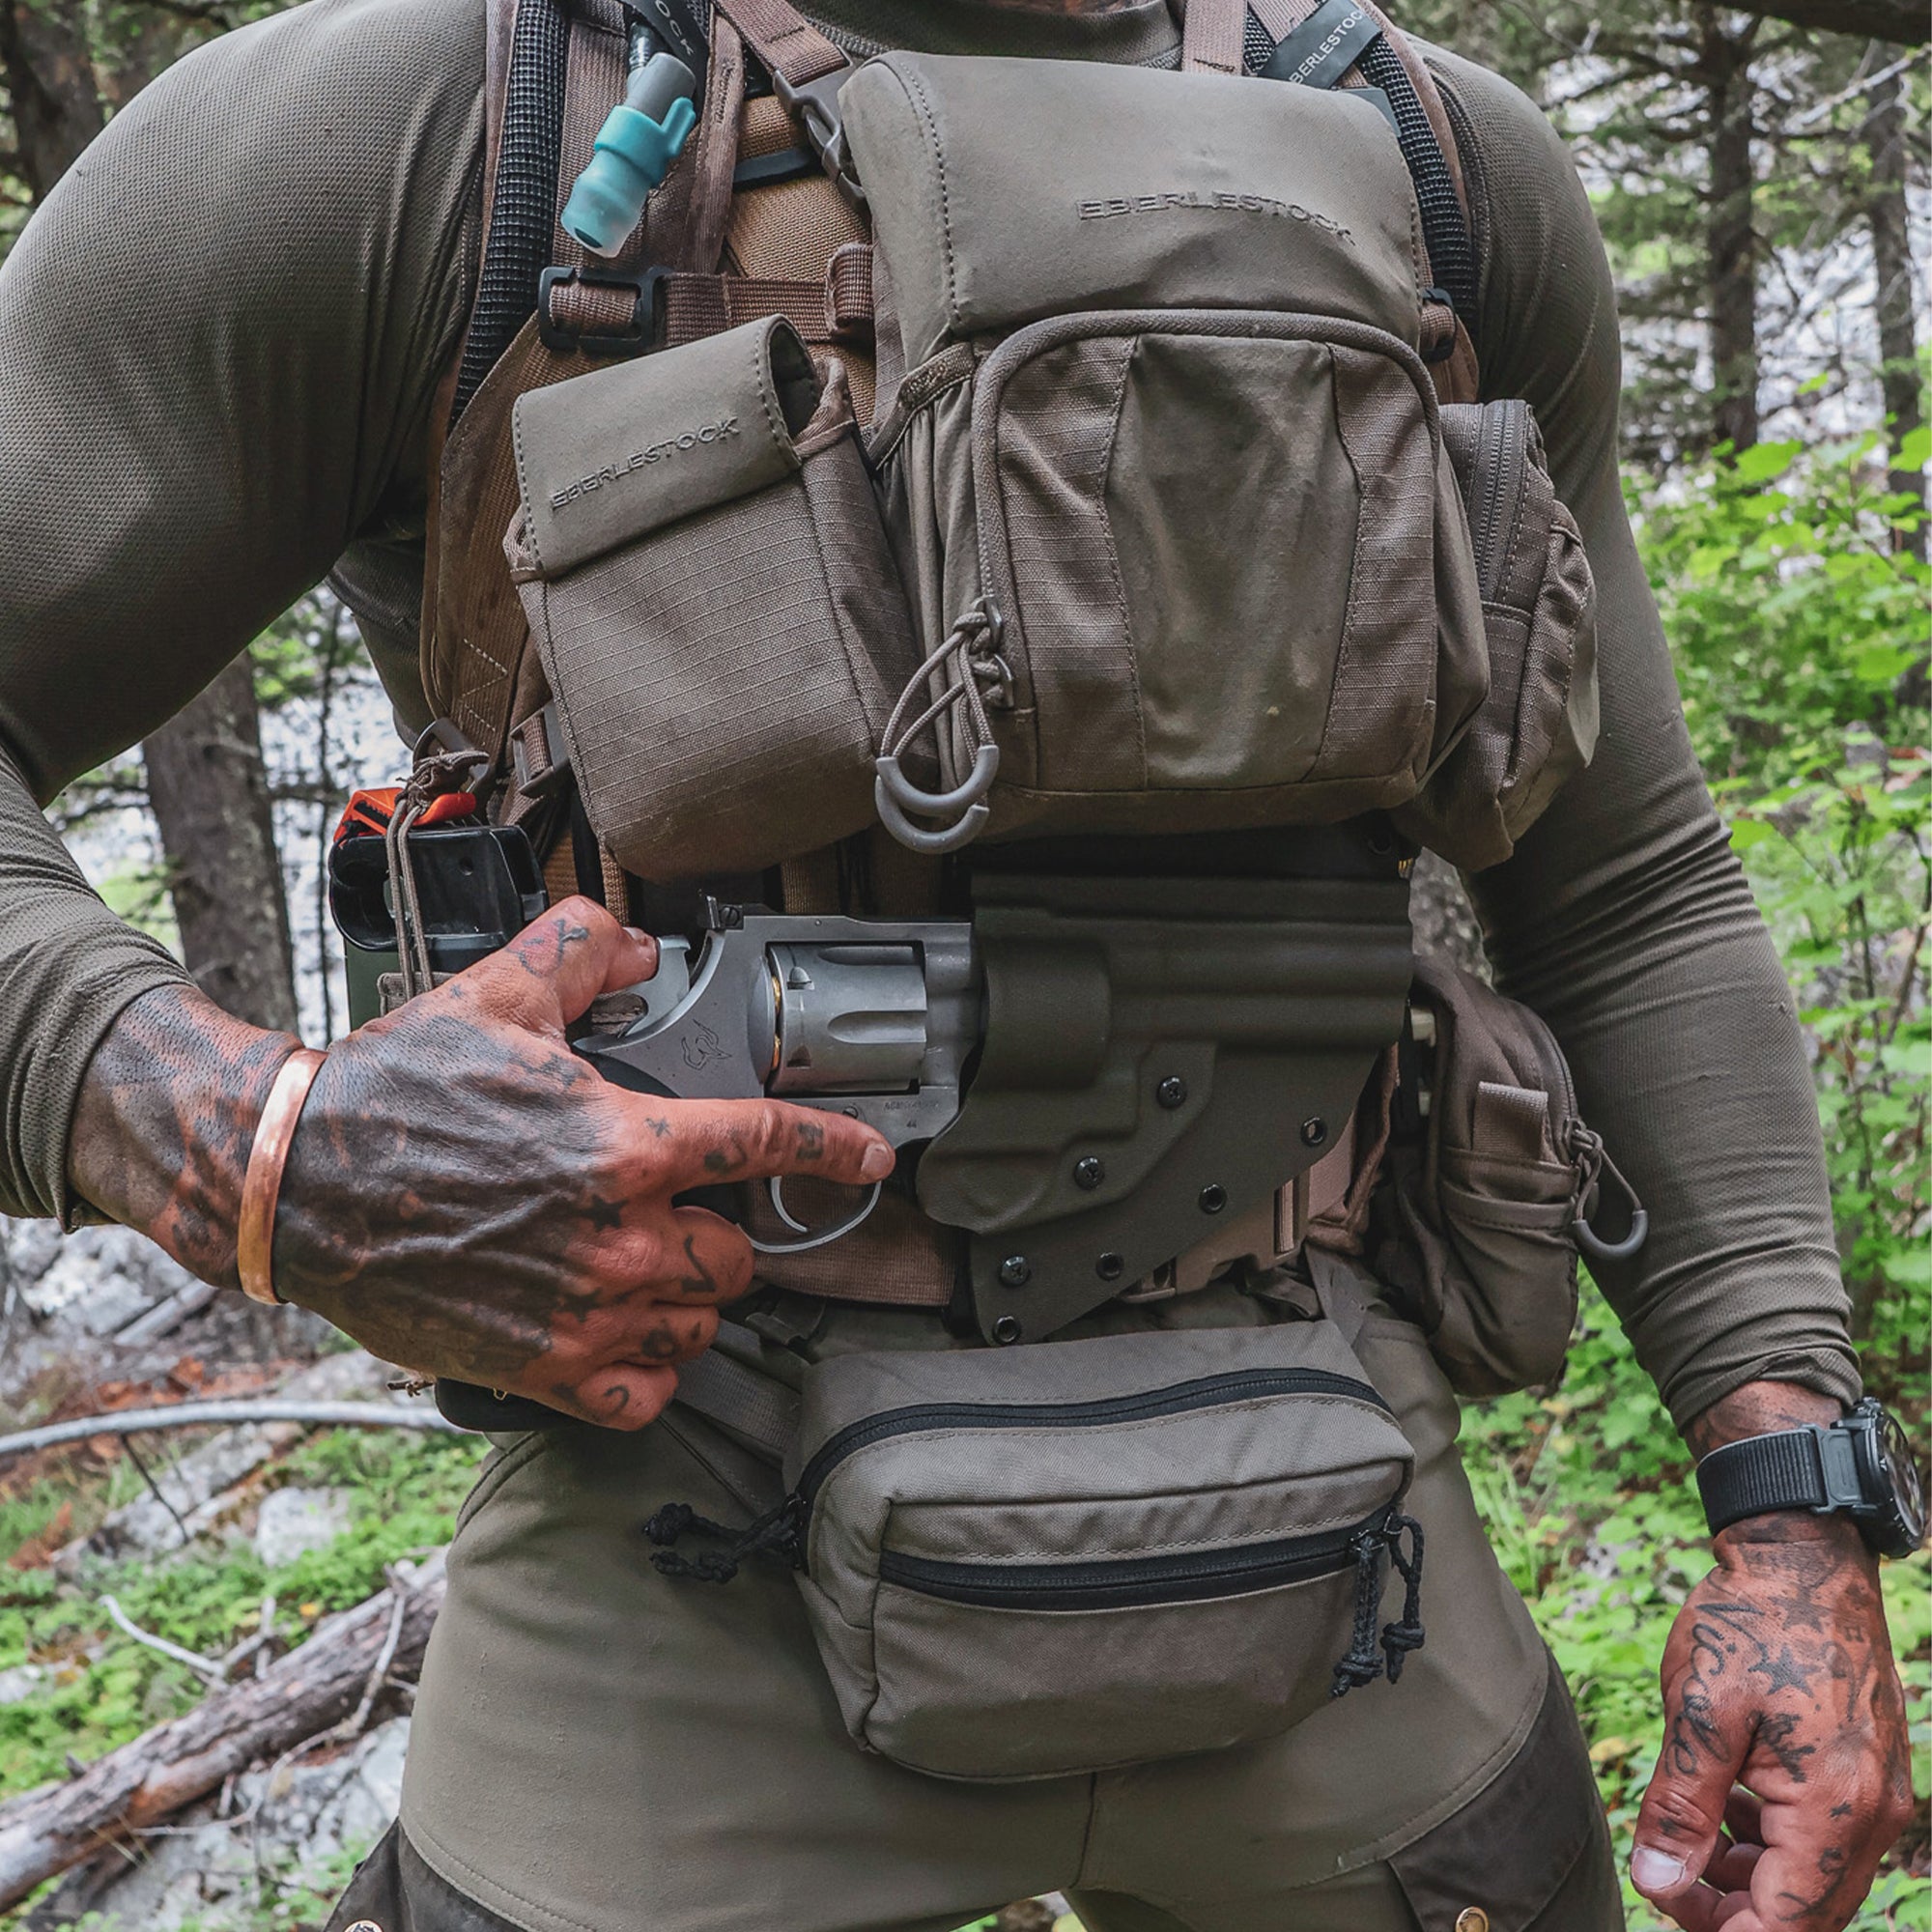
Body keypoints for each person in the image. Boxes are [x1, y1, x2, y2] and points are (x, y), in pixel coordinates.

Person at [0, 1, 1913, 1928]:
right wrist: (254, 1140)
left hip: (1342, 1554)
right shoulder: (430, 134)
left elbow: (1625, 886)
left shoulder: (1430, 170)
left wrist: (1794, 1501)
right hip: (672, 1552)